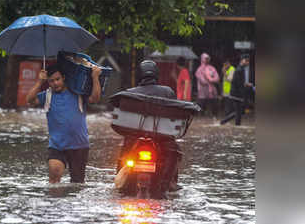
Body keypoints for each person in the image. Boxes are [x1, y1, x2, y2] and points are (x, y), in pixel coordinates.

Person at [116, 60, 183, 199]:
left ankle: (122, 181)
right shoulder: (168, 91)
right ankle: (167, 184)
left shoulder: (129, 93)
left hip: (135, 140)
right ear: (156, 75)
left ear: (139, 75)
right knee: (174, 150)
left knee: (124, 149)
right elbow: (174, 115)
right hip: (162, 140)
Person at [26, 63, 102, 183]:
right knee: (54, 174)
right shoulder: (47, 95)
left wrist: (95, 77)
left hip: (79, 145)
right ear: (48, 82)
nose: (55, 83)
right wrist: (40, 82)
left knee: (77, 184)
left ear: (64, 78)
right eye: (51, 81)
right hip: (57, 145)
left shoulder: (77, 93)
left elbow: (95, 99)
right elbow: (30, 100)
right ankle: (53, 201)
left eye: (57, 79)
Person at [220, 54, 252, 126]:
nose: (247, 62)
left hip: (237, 93)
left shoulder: (240, 69)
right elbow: (236, 82)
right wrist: (244, 86)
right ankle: (229, 123)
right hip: (236, 93)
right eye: (246, 61)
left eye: (248, 61)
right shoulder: (239, 69)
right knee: (238, 111)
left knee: (239, 111)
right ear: (242, 60)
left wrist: (245, 84)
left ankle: (228, 123)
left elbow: (239, 82)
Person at [195, 53, 220, 118]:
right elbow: (202, 80)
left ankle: (214, 115)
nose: (207, 60)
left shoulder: (212, 68)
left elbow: (217, 78)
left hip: (212, 90)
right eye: (205, 58)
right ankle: (200, 115)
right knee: (201, 103)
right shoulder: (199, 69)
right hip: (202, 90)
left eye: (208, 58)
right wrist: (209, 80)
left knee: (214, 102)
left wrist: (211, 80)